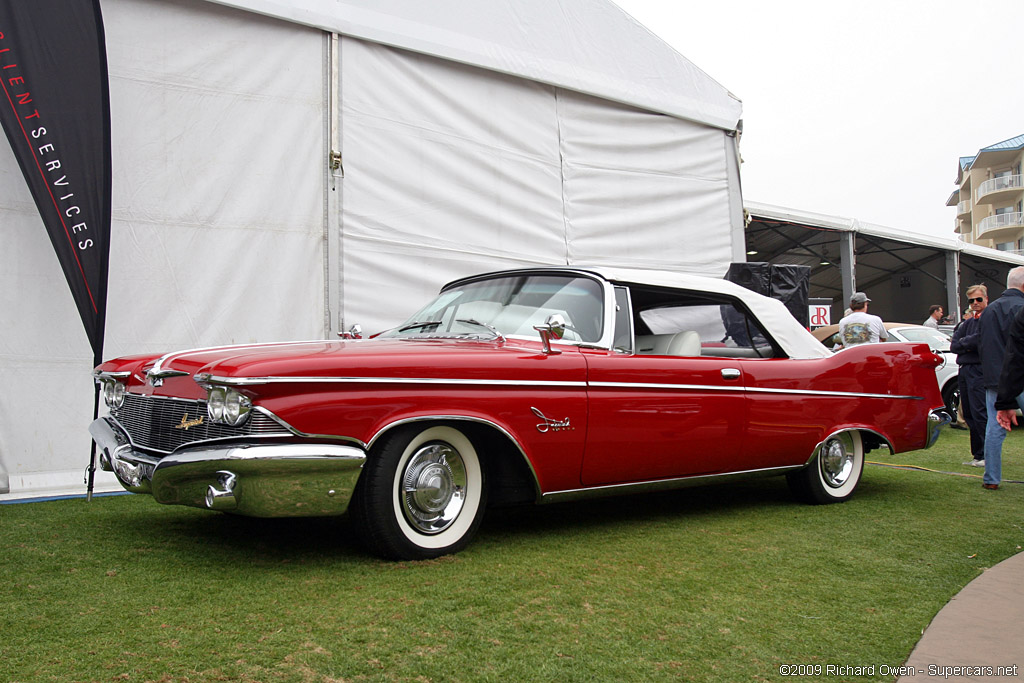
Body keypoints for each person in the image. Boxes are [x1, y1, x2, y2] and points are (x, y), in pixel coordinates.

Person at [978, 266, 1024, 490]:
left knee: (994, 427)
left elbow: (983, 344)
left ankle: (991, 478)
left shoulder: (989, 310)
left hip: (994, 376)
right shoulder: (1021, 307)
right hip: (1018, 375)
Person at [949, 285, 988, 466]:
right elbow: (954, 345)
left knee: (980, 412)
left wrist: (965, 343)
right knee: (969, 413)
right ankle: (977, 454)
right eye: (971, 301)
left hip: (978, 369)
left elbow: (980, 340)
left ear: (986, 300)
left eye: (978, 299)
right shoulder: (967, 323)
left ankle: (986, 454)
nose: (975, 304)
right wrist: (967, 343)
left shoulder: (988, 320)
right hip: (964, 369)